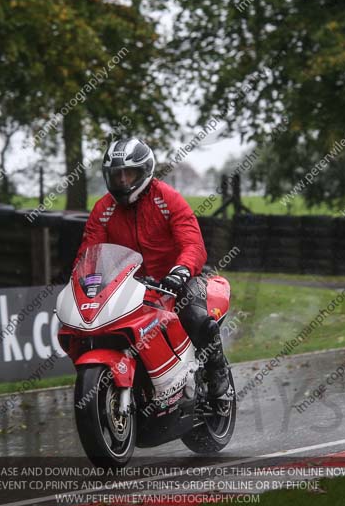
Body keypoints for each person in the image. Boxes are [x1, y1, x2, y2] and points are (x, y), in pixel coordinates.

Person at [74, 137, 230, 398]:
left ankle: (217, 369)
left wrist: (181, 269)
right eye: (117, 175)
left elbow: (192, 242)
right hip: (129, 287)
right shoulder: (103, 209)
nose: (123, 181)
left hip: (176, 280)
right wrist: (86, 280)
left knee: (194, 314)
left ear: (144, 171)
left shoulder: (167, 199)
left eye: (129, 173)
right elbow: (89, 252)